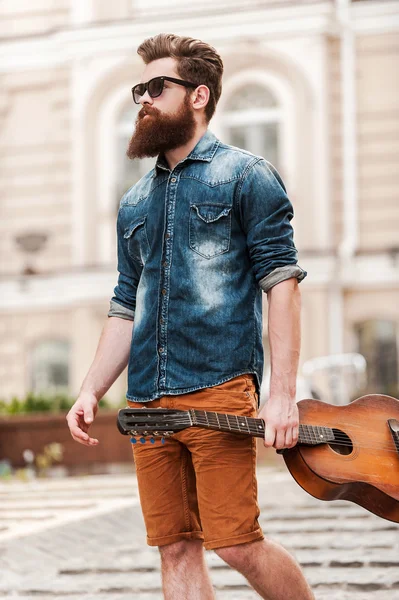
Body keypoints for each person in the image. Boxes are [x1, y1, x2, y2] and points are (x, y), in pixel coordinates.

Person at [66, 33, 314, 600]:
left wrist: (281, 393)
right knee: (176, 547)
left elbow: (282, 285)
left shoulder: (247, 176)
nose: (144, 100)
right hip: (147, 399)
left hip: (217, 389)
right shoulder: (133, 202)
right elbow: (125, 304)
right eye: (140, 89)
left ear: (199, 95)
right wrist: (90, 390)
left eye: (159, 86)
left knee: (236, 541)